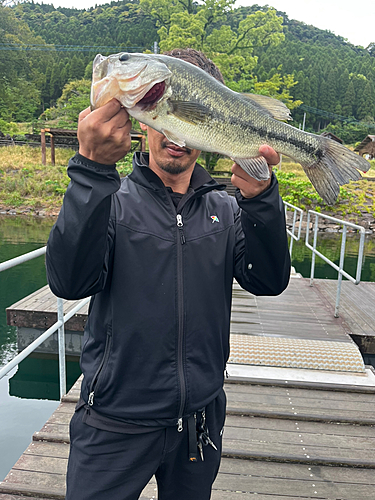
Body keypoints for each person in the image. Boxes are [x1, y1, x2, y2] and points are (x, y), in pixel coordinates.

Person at [46, 49, 291, 500]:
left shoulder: (226, 208)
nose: (176, 140)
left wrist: (261, 200)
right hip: (113, 422)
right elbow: (70, 283)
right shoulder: (110, 199)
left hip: (199, 421)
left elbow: (268, 280)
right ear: (145, 119)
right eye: (165, 124)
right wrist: (91, 170)